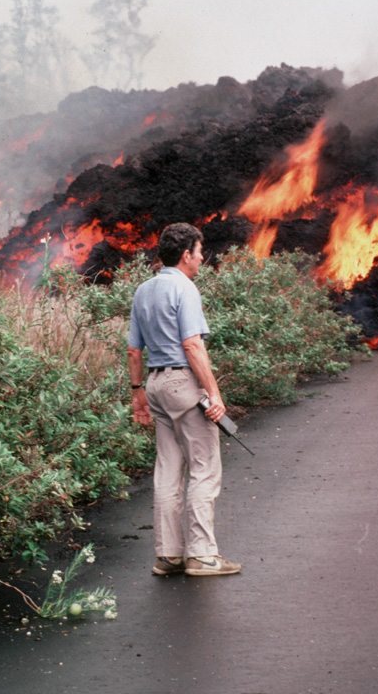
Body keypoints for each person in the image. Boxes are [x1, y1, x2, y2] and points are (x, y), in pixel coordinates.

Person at [128, 223, 241, 577]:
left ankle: (168, 556)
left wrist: (137, 394)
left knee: (167, 470)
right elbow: (192, 345)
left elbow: (134, 350)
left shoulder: (143, 290)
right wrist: (214, 394)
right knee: (204, 467)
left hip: (156, 385)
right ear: (185, 255)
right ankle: (203, 556)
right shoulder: (185, 288)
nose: (202, 258)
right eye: (199, 252)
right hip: (183, 384)